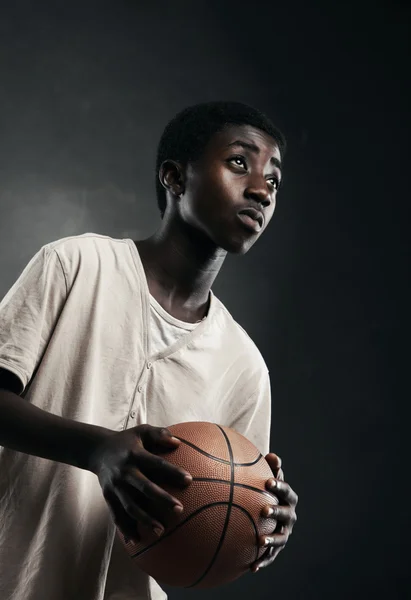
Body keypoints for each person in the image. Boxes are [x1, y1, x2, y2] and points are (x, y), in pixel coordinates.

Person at [0, 101, 298, 600]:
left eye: (274, 179)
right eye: (240, 162)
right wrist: (97, 448)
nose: (261, 189)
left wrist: (261, 524)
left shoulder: (245, 366)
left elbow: (218, 523)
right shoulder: (76, 264)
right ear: (175, 178)